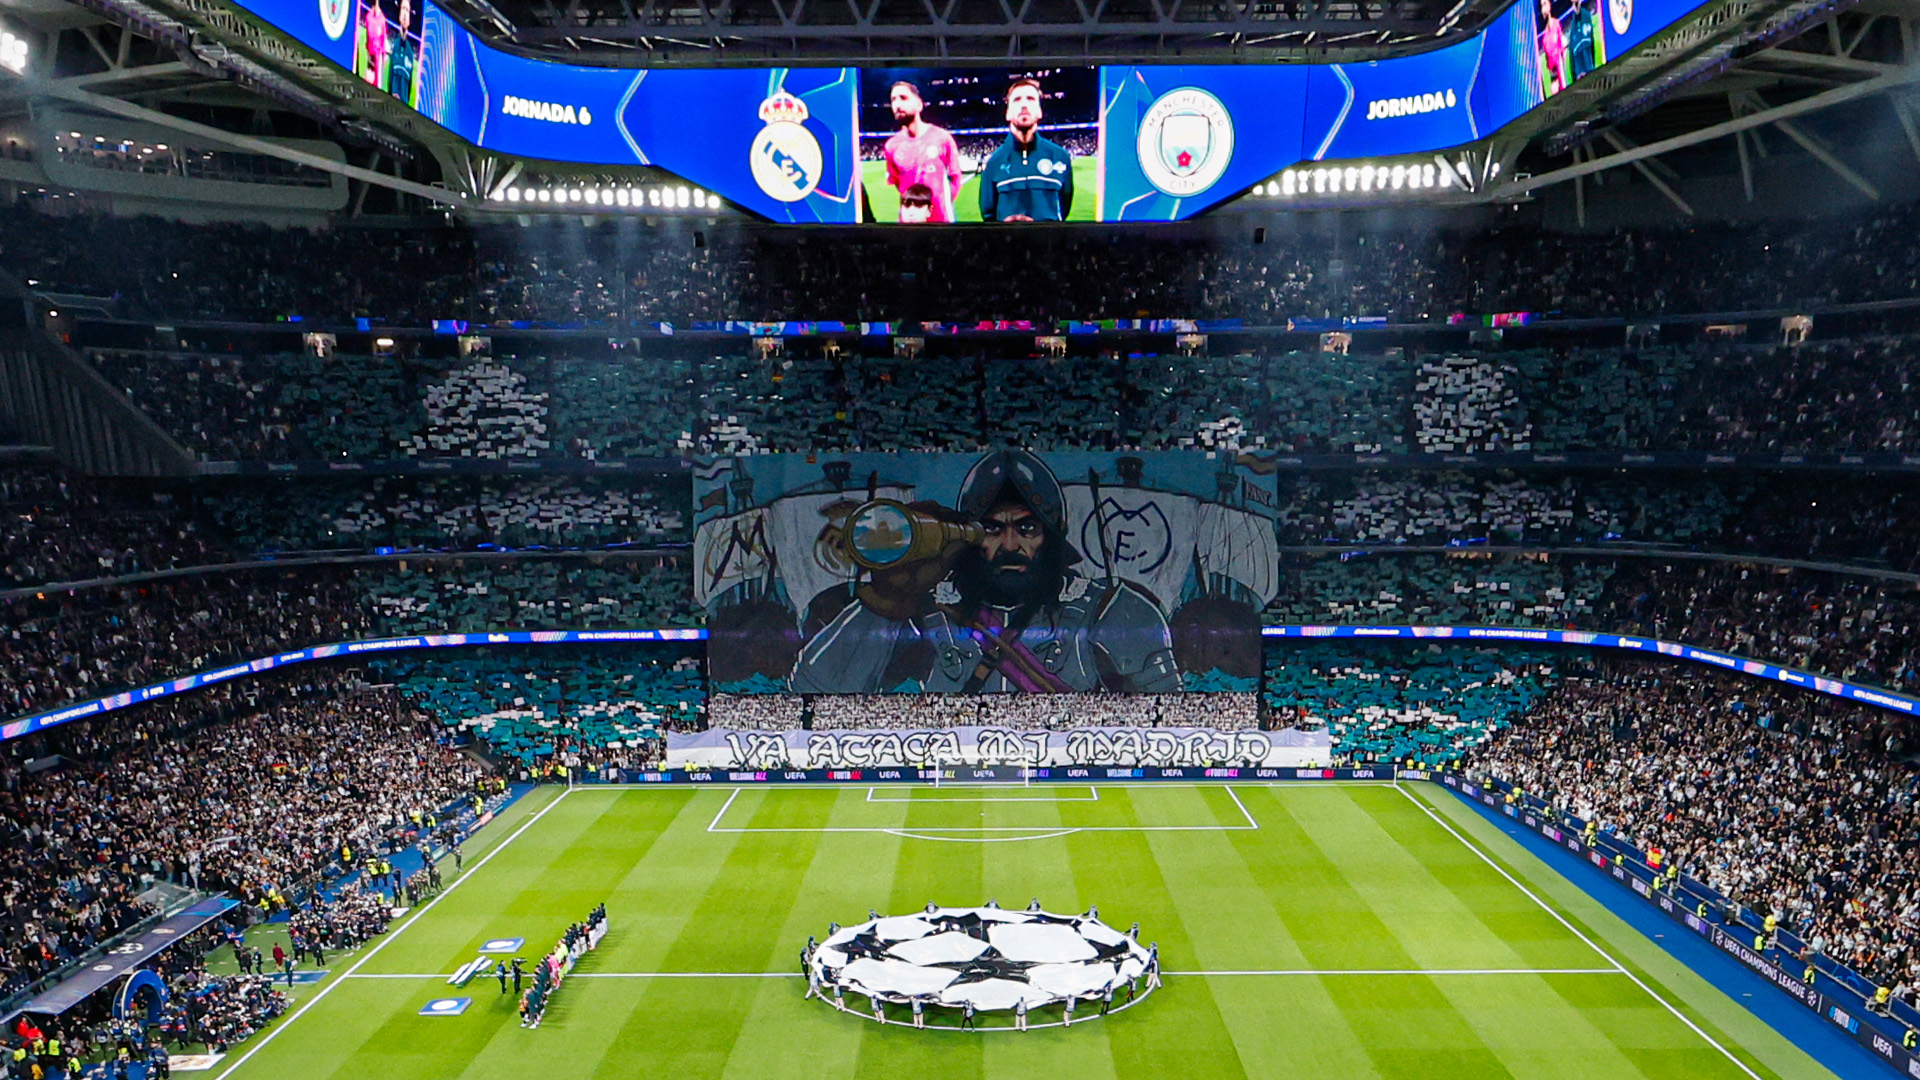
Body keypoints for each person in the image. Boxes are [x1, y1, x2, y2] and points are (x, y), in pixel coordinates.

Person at [790, 450, 1180, 694]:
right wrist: (887, 603)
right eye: (992, 529)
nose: (1010, 545)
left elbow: (1169, 713)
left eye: (1027, 529)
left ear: (1051, 536)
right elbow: (813, 691)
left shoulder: (1109, 609)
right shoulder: (927, 612)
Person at [978, 79, 1073, 223]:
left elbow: (1064, 207)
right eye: (1017, 100)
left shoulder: (1060, 157)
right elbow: (988, 215)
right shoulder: (994, 163)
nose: (1024, 105)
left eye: (1030, 99)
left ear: (1040, 112)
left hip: (1048, 244)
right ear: (1008, 114)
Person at [881, 82, 963, 224]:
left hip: (941, 222)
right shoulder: (891, 146)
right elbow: (898, 183)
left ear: (919, 105)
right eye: (893, 99)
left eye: (903, 98)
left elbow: (955, 178)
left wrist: (939, 206)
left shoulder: (942, 138)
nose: (897, 104)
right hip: (908, 223)